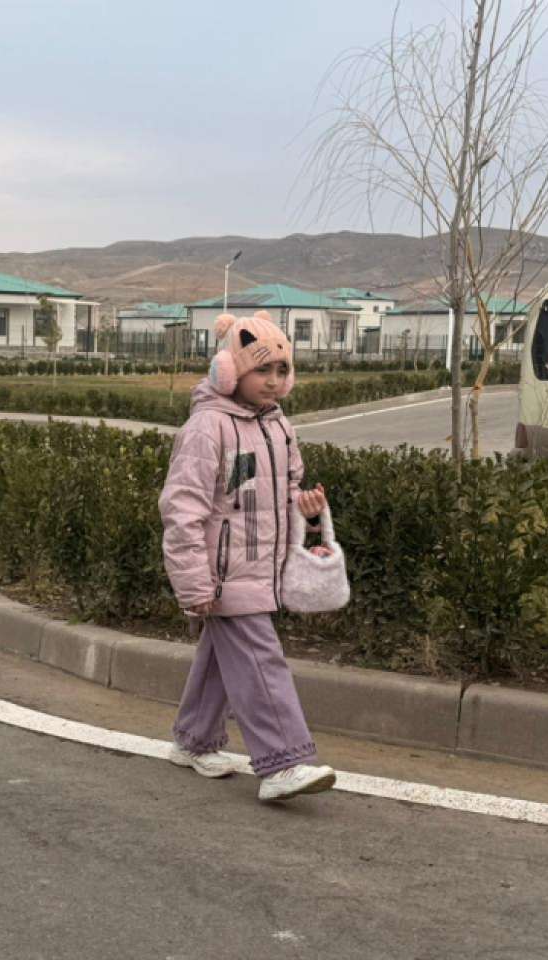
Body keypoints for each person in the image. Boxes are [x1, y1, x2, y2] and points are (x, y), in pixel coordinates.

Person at [159, 311, 337, 803]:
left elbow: (281, 490)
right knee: (261, 659)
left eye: (282, 370)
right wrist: (193, 583)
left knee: (222, 659)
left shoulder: (278, 426)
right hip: (224, 572)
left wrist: (307, 511)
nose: (274, 382)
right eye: (262, 370)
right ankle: (284, 761)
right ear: (229, 370)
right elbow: (182, 509)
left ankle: (193, 739)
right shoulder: (206, 428)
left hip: (259, 568)